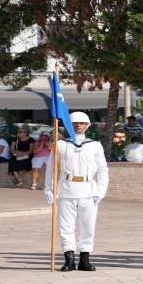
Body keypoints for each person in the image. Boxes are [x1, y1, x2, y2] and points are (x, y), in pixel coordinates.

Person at [44, 112, 109, 272]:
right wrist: (49, 188)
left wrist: (101, 190)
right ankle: (69, 258)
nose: (78, 125)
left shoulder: (95, 145)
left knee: (88, 225)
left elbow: (102, 169)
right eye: (75, 123)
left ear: (87, 125)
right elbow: (52, 168)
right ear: (68, 125)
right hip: (67, 188)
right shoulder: (60, 145)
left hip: (88, 189)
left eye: (81, 123)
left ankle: (85, 258)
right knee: (65, 226)